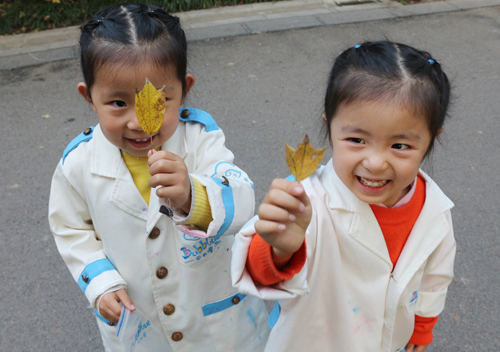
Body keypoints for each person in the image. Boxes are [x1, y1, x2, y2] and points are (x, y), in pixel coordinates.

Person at [48, 3, 269, 351]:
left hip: (216, 323)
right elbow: (71, 228)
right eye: (118, 103)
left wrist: (192, 195)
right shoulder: (78, 163)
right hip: (142, 326)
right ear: (89, 97)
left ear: (184, 89)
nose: (138, 122)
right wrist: (100, 283)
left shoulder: (200, 139)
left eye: (158, 101)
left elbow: (241, 200)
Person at [232, 41, 456, 352]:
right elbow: (261, 275)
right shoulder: (305, 202)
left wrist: (421, 327)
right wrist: (281, 248)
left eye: (400, 146)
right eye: (356, 139)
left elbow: (434, 277)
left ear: (432, 140)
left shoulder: (434, 210)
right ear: (330, 126)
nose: (375, 163)